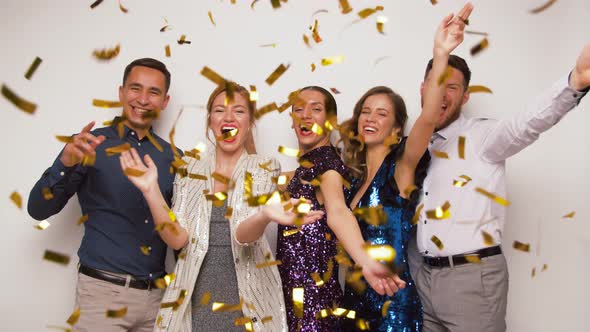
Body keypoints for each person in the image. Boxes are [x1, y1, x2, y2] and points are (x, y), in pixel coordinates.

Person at [411, 33, 590, 332]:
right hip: (424, 279)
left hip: (470, 279)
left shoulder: (482, 138)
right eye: (435, 85)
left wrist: (575, 82)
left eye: (452, 87)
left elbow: (525, 124)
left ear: (465, 97)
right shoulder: (413, 147)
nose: (442, 94)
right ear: (423, 88)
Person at [122, 83, 308, 331]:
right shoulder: (190, 169)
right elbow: (177, 239)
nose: (229, 117)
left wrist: (264, 215)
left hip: (248, 303)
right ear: (210, 121)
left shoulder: (263, 167)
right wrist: (151, 190)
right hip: (195, 301)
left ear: (250, 122)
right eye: (220, 110)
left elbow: (243, 236)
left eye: (239, 111)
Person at [338, 4, 472, 331]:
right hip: (353, 303)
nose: (371, 118)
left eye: (382, 114)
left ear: (397, 128)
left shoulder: (401, 167)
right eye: (366, 111)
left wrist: (440, 53)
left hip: (392, 304)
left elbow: (428, 116)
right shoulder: (351, 180)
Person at [27, 58, 177, 331]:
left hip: (158, 302)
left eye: (153, 92)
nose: (143, 99)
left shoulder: (174, 158)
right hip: (101, 297)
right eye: (135, 88)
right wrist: (65, 163)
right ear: (121, 92)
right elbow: (38, 209)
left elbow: (180, 234)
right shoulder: (88, 145)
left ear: (164, 101)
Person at [273, 86, 405, 331]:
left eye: (316, 109)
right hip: (292, 299)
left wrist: (365, 260)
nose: (305, 115)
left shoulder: (327, 167)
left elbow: (338, 213)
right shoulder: (302, 170)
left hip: (314, 307)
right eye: (298, 110)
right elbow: (260, 180)